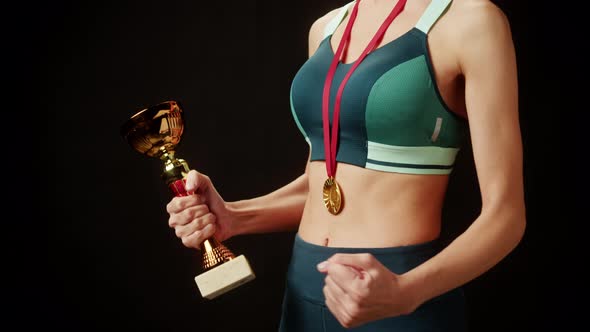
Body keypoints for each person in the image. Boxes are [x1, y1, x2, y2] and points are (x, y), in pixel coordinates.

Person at [166, 0, 525, 330]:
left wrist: (406, 292)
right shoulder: (326, 27)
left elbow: (506, 217)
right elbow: (321, 182)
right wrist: (234, 216)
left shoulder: (470, 21)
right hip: (304, 289)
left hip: (397, 295)